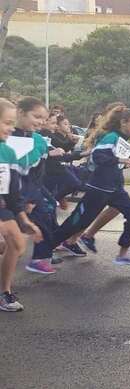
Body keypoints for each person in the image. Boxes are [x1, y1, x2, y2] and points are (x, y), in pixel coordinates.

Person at [48, 106, 130, 265]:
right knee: (77, 222)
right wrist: (121, 160)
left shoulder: (122, 139)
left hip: (115, 189)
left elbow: (114, 159)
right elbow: (98, 156)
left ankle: (123, 253)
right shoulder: (111, 136)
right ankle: (45, 250)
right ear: (123, 122)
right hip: (99, 188)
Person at [0, 99, 42, 311]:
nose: (11, 128)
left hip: (2, 205)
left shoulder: (7, 151)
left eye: (12, 123)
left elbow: (13, 191)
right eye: (7, 123)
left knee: (17, 244)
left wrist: (23, 219)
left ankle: (4, 293)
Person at [11, 97, 62, 274]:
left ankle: (40, 258)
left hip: (30, 192)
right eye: (36, 116)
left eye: (43, 118)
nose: (41, 121)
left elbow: (38, 173)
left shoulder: (39, 141)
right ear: (21, 113)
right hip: (8, 195)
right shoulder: (6, 136)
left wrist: (32, 198)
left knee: (47, 213)